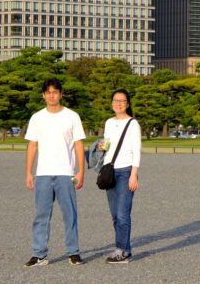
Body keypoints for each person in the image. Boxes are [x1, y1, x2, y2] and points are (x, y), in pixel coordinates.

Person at [23, 78, 86, 268]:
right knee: (41, 216)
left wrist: (81, 171)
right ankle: (39, 254)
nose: (52, 95)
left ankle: (73, 252)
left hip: (66, 173)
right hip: (43, 173)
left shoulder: (72, 116)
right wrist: (28, 172)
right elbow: (32, 145)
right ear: (43, 95)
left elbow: (79, 144)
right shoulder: (37, 117)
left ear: (61, 94)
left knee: (70, 214)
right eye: (48, 92)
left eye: (55, 92)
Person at [100, 89, 142, 264]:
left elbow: (136, 151)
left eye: (122, 101)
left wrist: (134, 175)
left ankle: (122, 250)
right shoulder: (109, 122)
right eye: (115, 100)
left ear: (128, 104)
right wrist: (103, 146)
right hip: (110, 170)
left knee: (123, 213)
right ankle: (125, 248)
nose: (118, 103)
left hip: (125, 171)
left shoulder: (133, 124)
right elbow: (108, 145)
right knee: (115, 214)